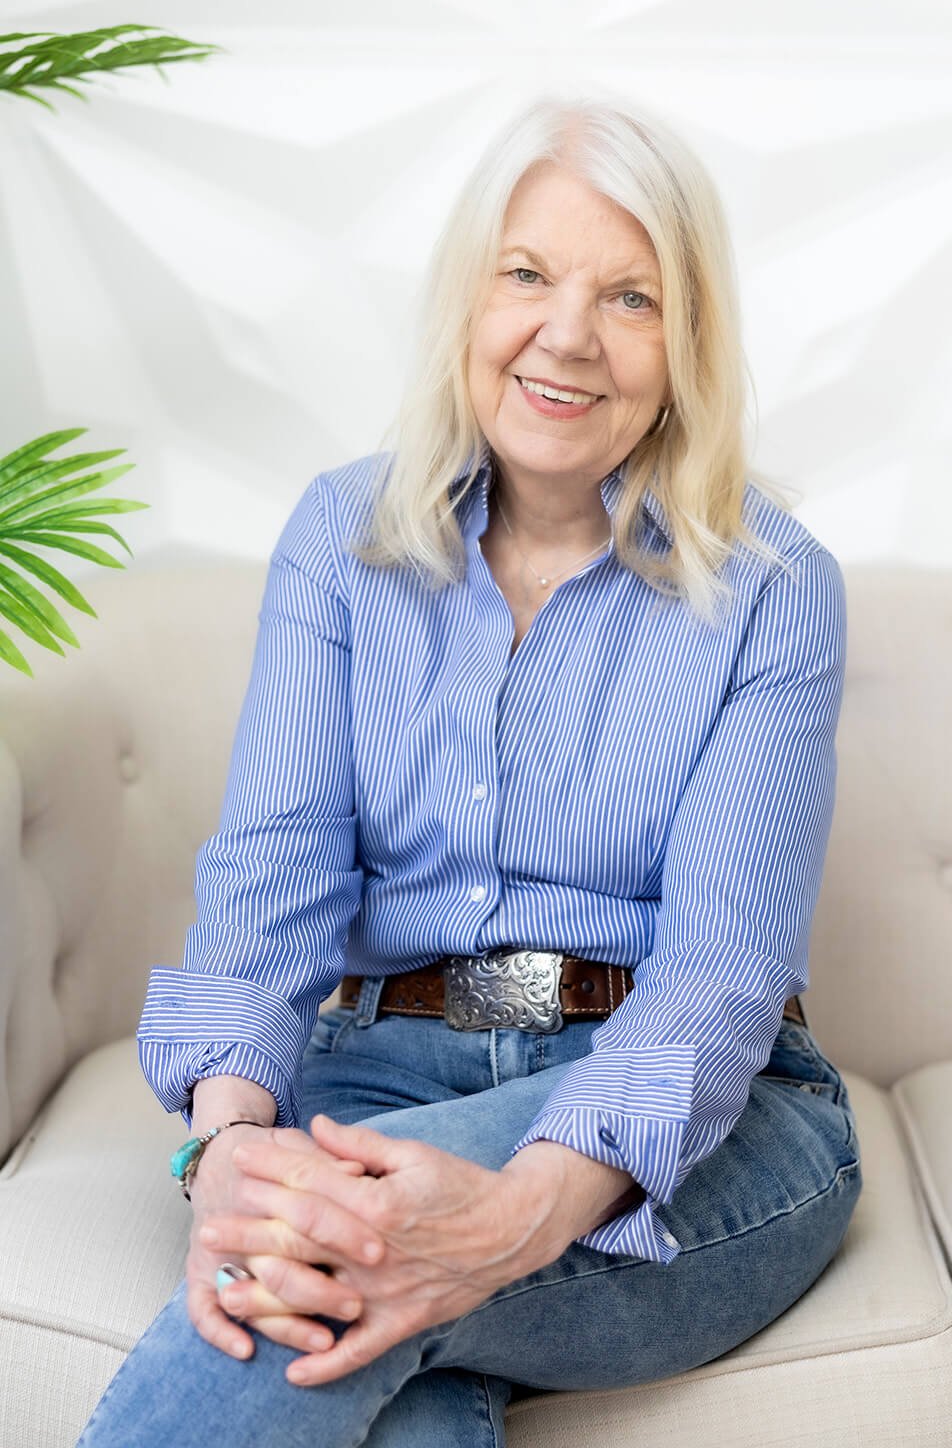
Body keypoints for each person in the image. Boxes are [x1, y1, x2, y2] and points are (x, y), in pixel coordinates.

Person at [75, 94, 861, 1447]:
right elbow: (271, 882)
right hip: (373, 1073)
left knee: (323, 1284)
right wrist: (227, 1147)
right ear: (466, 303)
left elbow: (721, 976)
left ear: (688, 346)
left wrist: (511, 1215)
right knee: (378, 1332)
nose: (566, 334)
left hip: (694, 1128)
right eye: (528, 275)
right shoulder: (341, 536)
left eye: (630, 296)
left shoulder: (773, 589)